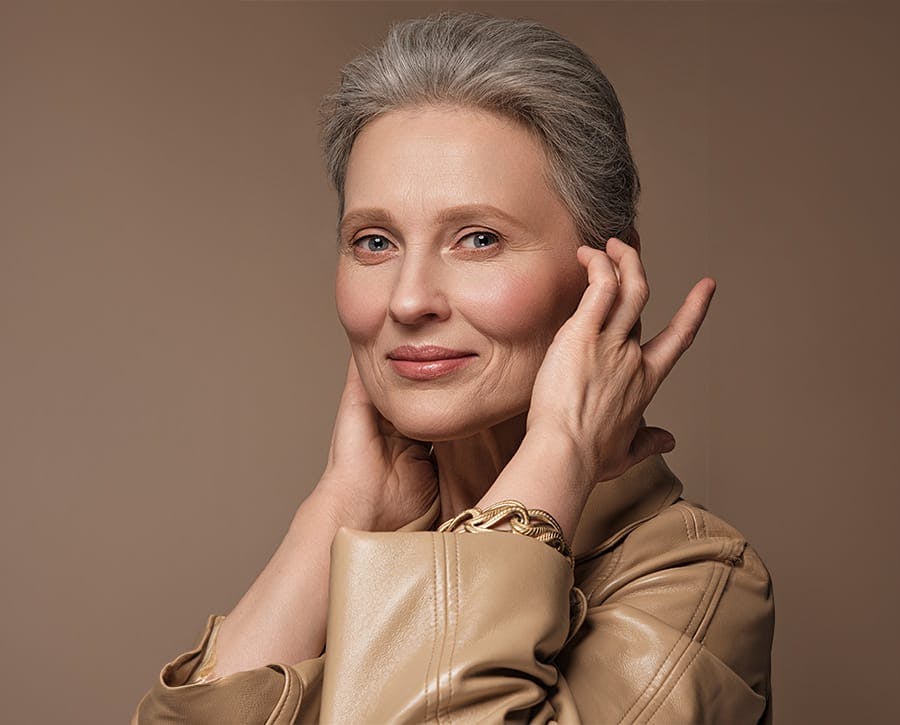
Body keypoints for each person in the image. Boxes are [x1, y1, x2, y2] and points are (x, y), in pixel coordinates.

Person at [133, 11, 773, 724]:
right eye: (374, 241)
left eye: (478, 238)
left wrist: (561, 448)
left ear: (608, 275)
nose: (408, 299)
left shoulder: (697, 578)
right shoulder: (371, 535)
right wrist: (336, 510)